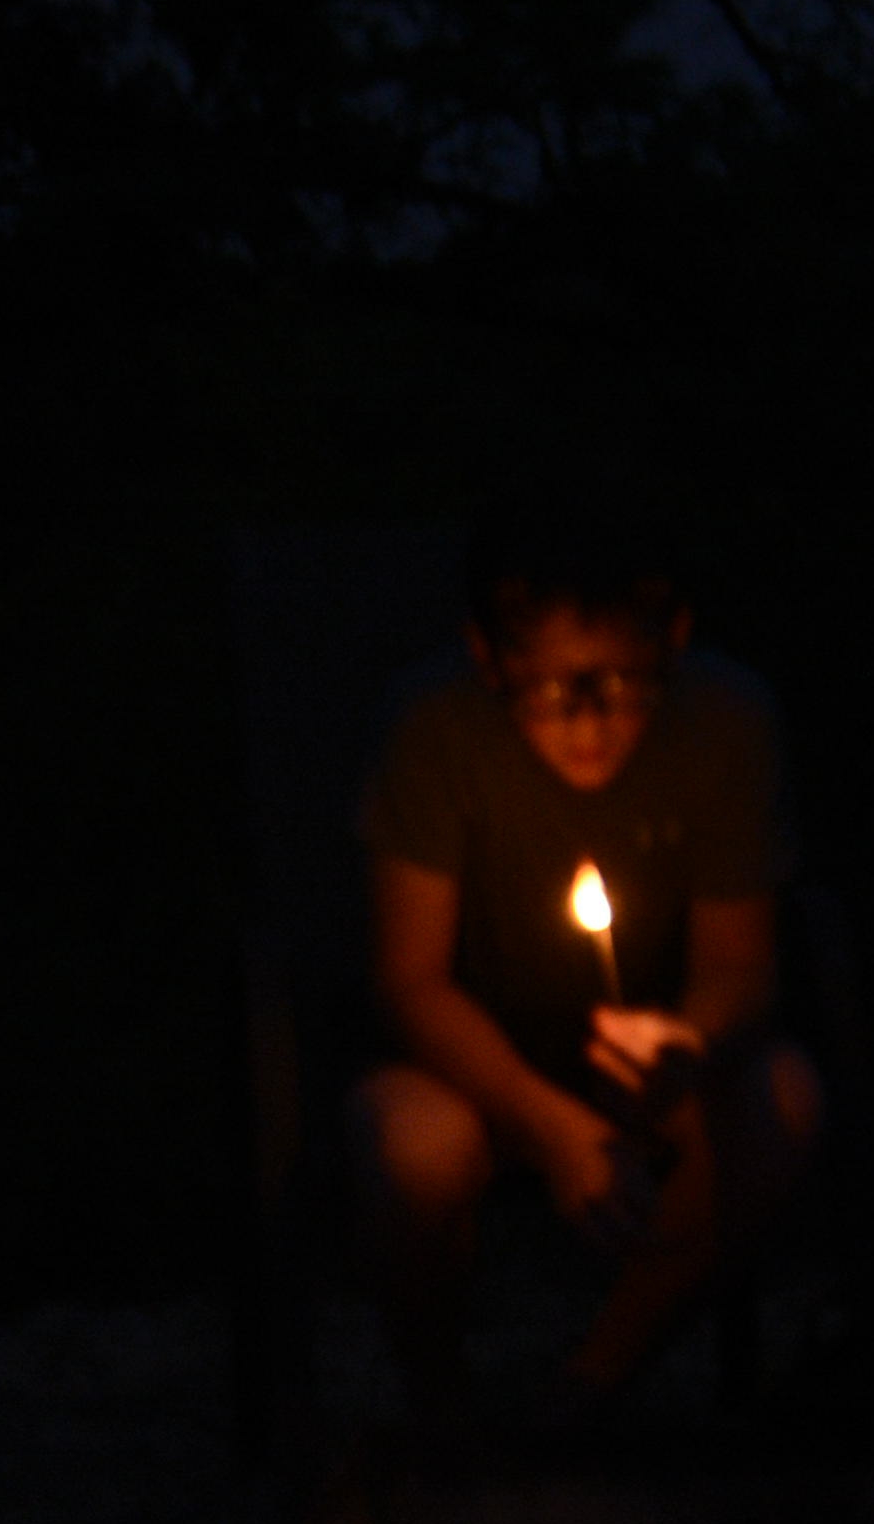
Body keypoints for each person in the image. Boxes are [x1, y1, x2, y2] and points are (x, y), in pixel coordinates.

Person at [347, 520, 822, 1423]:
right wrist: (552, 1126)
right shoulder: (434, 729)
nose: (591, 724)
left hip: (651, 1059)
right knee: (412, 1144)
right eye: (552, 691)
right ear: (488, 661)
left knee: (783, 1102)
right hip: (469, 1064)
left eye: (625, 685)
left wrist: (688, 1038)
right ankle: (442, 1412)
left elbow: (741, 965)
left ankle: (588, 1390)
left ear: (674, 639)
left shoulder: (725, 722)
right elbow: (410, 982)